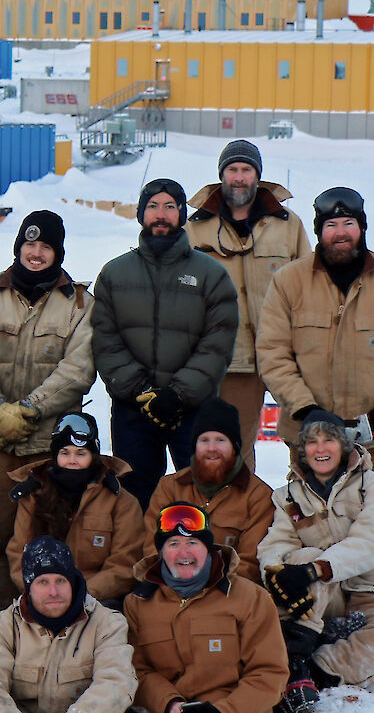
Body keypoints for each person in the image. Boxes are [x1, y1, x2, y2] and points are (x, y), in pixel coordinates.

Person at [256, 186, 374, 613]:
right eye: (331, 225)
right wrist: (305, 410)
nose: (340, 232)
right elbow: (273, 353)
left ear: (362, 228)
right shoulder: (289, 281)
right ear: (319, 231)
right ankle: (320, 611)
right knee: (313, 524)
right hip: (309, 435)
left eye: (348, 224)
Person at [0, 209, 95, 605]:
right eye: (29, 245)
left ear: (59, 252)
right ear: (18, 248)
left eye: (45, 246)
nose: (36, 253)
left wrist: (30, 409)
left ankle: (50, 617)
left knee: (49, 534)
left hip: (50, 447)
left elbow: (79, 368)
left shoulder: (80, 303)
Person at [90, 178, 239, 507]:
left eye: (170, 207)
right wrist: (141, 391)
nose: (161, 214)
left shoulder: (210, 274)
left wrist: (178, 394)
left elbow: (218, 341)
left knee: (203, 494)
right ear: (142, 214)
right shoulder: (114, 274)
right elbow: (105, 339)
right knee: (133, 497)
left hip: (192, 408)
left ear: (182, 214)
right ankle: (139, 557)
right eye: (153, 206)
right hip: (133, 408)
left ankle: (199, 557)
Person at [258, 412, 374, 712]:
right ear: (302, 450)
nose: (320, 449)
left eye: (329, 440)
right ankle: (289, 658)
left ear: (343, 445)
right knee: (297, 560)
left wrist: (319, 568)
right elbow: (276, 544)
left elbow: (373, 541)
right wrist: (275, 573)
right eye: (312, 442)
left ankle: (313, 671)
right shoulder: (287, 497)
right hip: (319, 599)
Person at [184, 141, 309, 467]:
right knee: (236, 447)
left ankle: (307, 511)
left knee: (309, 436)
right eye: (232, 170)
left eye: (246, 170)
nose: (239, 177)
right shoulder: (195, 228)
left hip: (288, 353)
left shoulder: (287, 224)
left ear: (257, 175)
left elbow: (312, 285)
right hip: (233, 357)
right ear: (222, 175)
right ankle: (240, 516)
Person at [124, 502, 290, 713]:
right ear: (161, 552)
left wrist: (222, 710)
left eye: (193, 542)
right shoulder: (138, 603)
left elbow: (269, 672)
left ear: (209, 548)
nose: (184, 553)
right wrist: (169, 704)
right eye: (173, 544)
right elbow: (136, 670)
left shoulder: (251, 598)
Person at [0, 535, 136, 713]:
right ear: (29, 588)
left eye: (61, 581)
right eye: (43, 582)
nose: (53, 592)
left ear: (73, 583)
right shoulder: (5, 625)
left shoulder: (107, 623)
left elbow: (116, 684)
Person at [4, 413, 144, 603]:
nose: (72, 460)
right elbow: (18, 555)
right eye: (64, 453)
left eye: (80, 454)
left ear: (93, 456)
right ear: (55, 456)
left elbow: (124, 564)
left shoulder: (121, 501)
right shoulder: (33, 497)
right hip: (43, 599)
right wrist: (44, 593)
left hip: (97, 600)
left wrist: (81, 596)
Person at [142, 396, 274, 582]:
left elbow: (249, 563)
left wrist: (204, 585)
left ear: (235, 447)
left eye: (220, 440)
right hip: (170, 588)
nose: (212, 448)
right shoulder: (169, 487)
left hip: (227, 594)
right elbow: (151, 548)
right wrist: (177, 581)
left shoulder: (259, 495)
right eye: (204, 440)